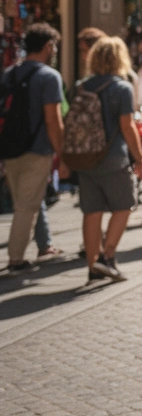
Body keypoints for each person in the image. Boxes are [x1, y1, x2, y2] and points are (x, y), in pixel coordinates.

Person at [76, 37, 142, 283]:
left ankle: (92, 267)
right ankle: (107, 257)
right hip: (114, 159)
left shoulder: (80, 86)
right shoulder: (122, 87)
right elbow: (127, 126)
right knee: (124, 205)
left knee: (91, 211)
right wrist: (140, 158)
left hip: (85, 158)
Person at [3, 24, 66, 273]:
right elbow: (53, 119)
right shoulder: (49, 76)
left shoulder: (9, 73)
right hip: (37, 149)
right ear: (48, 46)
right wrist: (62, 154)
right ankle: (16, 259)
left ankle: (43, 244)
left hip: (10, 148)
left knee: (24, 200)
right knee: (26, 205)